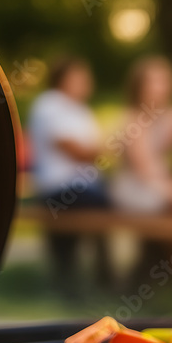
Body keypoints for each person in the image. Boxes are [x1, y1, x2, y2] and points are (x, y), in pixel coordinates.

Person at [112, 56, 172, 286]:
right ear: (139, 87)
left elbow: (163, 151)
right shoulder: (133, 120)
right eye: (155, 81)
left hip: (154, 181)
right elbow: (145, 170)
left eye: (165, 81)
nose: (162, 87)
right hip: (136, 187)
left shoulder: (162, 117)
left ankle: (171, 269)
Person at [27, 56, 112, 292]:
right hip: (58, 187)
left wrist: (100, 150)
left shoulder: (80, 110)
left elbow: (93, 152)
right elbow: (78, 151)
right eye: (80, 76)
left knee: (104, 202)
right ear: (64, 78)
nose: (86, 81)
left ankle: (84, 278)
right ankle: (102, 276)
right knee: (104, 203)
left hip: (81, 186)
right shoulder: (50, 104)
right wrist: (106, 148)